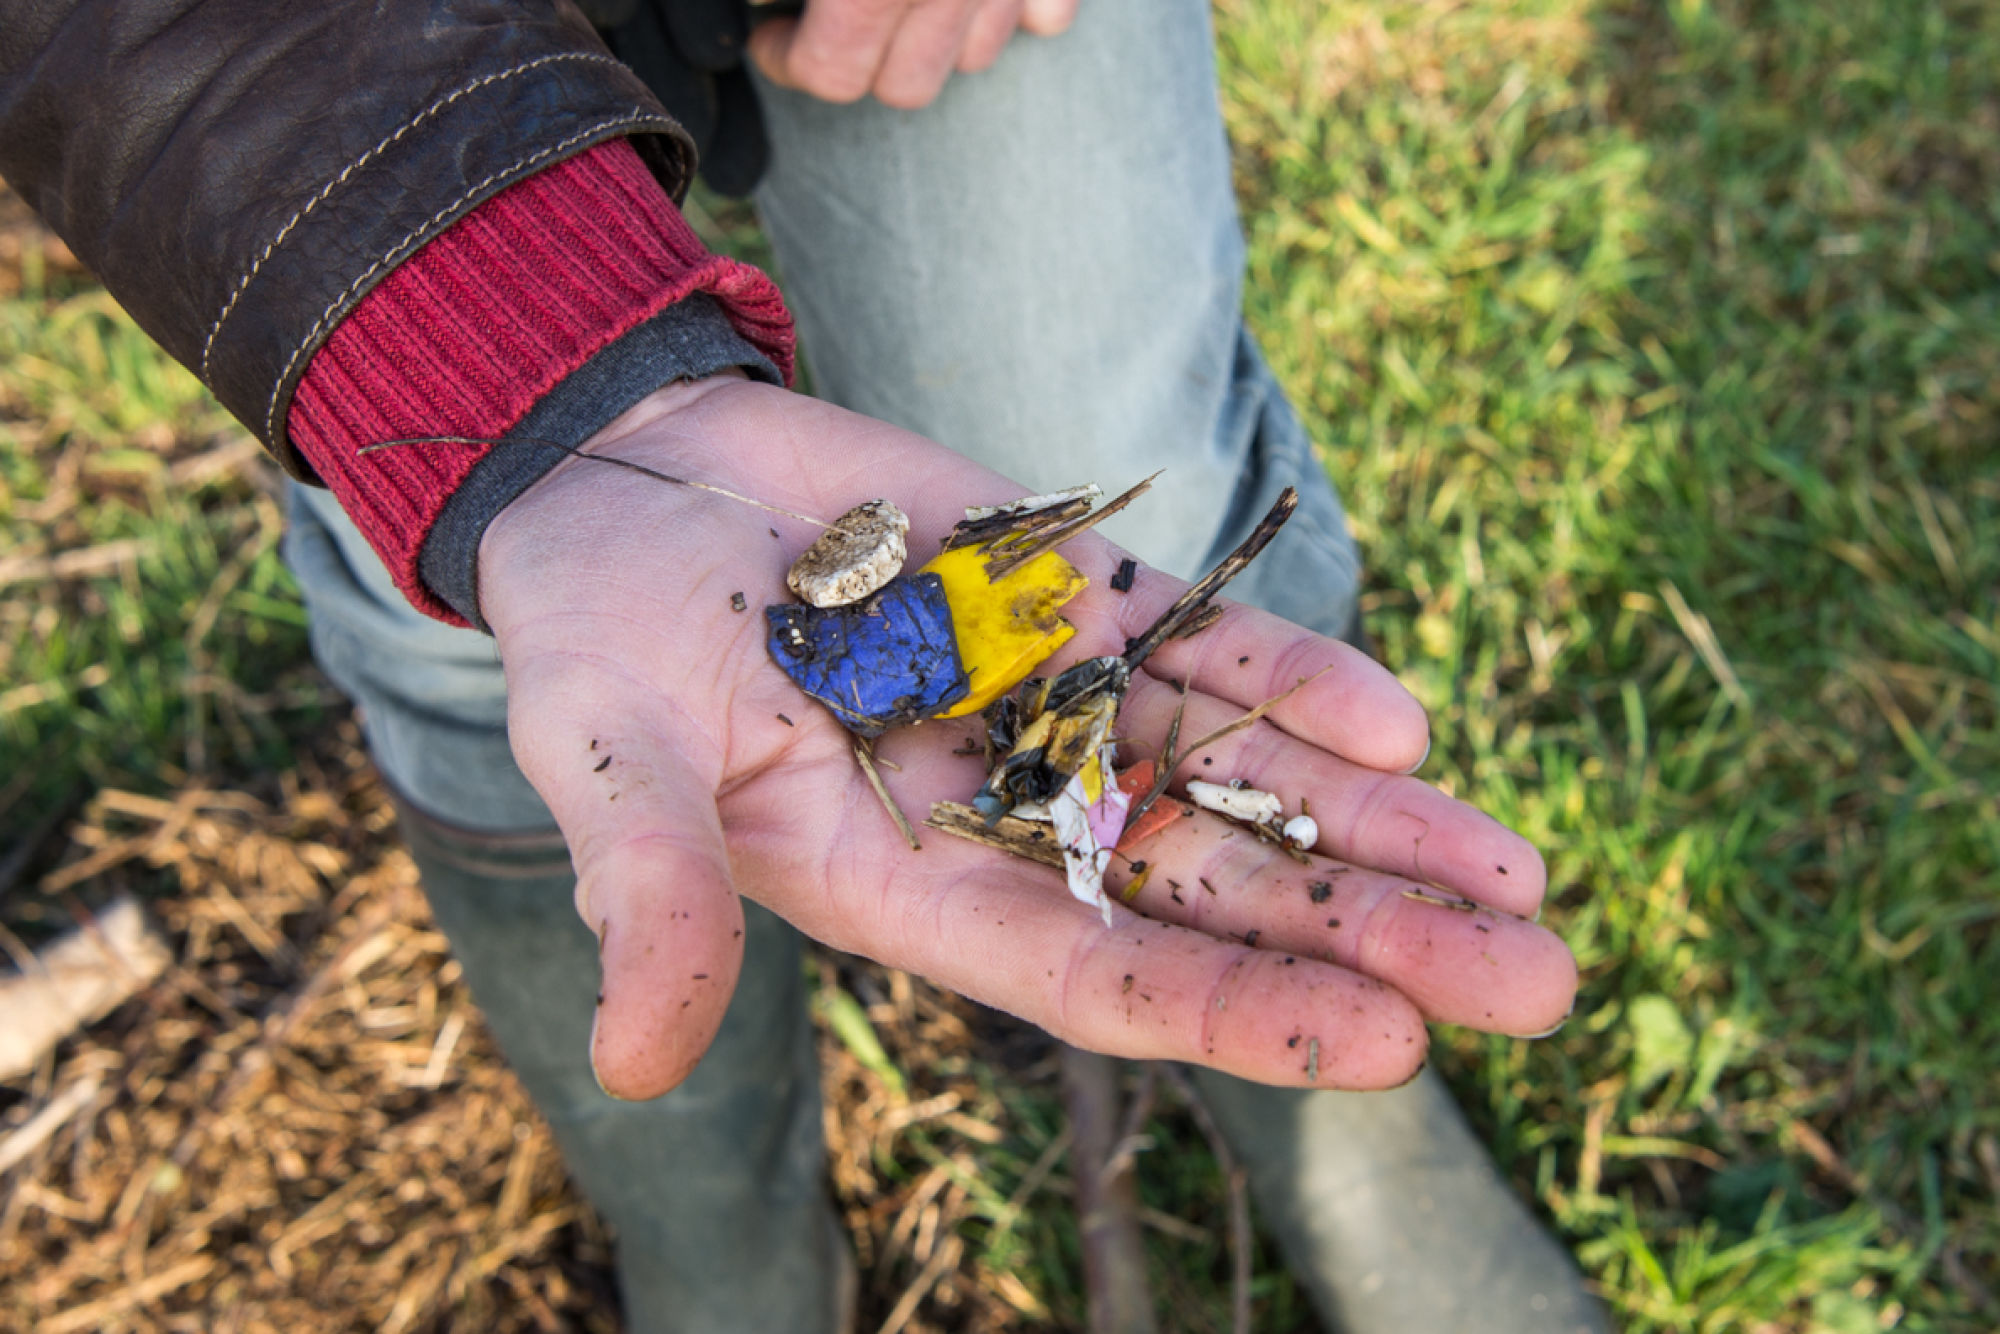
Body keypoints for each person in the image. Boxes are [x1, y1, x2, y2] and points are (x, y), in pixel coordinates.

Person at [1, 1, 1606, 1329]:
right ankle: (718, 1230)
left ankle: (1332, 1111)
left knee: (1119, 450)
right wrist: (460, 313)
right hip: (292, 123)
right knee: (494, 632)